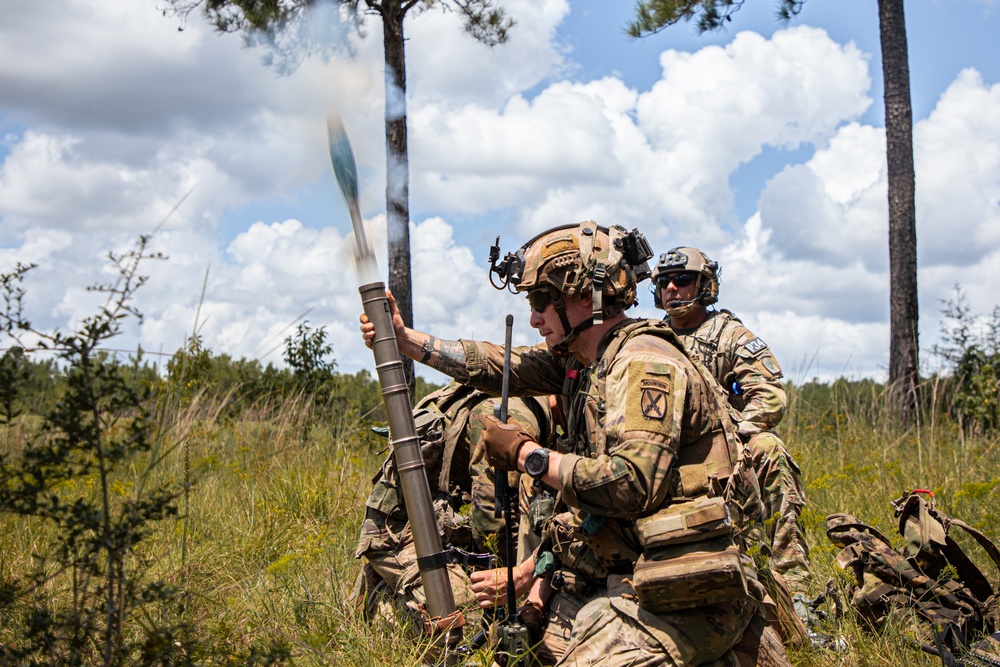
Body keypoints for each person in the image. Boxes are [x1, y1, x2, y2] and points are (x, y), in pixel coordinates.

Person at [361, 221, 789, 666]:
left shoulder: (642, 362)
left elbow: (632, 483)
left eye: (543, 301)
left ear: (588, 295)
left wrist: (528, 455)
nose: (533, 317)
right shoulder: (584, 362)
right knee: (505, 646)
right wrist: (405, 339)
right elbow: (499, 364)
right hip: (625, 571)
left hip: (684, 588)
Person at [651, 246, 812, 591]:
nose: (672, 289)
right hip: (660, 448)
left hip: (723, 447)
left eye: (682, 280)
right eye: (664, 282)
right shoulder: (648, 338)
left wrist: (736, 434)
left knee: (768, 448)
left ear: (704, 285)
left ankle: (794, 586)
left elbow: (769, 395)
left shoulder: (729, 335)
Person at [353, 380, 551, 634]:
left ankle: (382, 592)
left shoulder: (504, 385)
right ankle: (382, 612)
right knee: (464, 618)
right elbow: (490, 518)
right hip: (400, 534)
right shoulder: (518, 416)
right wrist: (513, 576)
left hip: (420, 523)